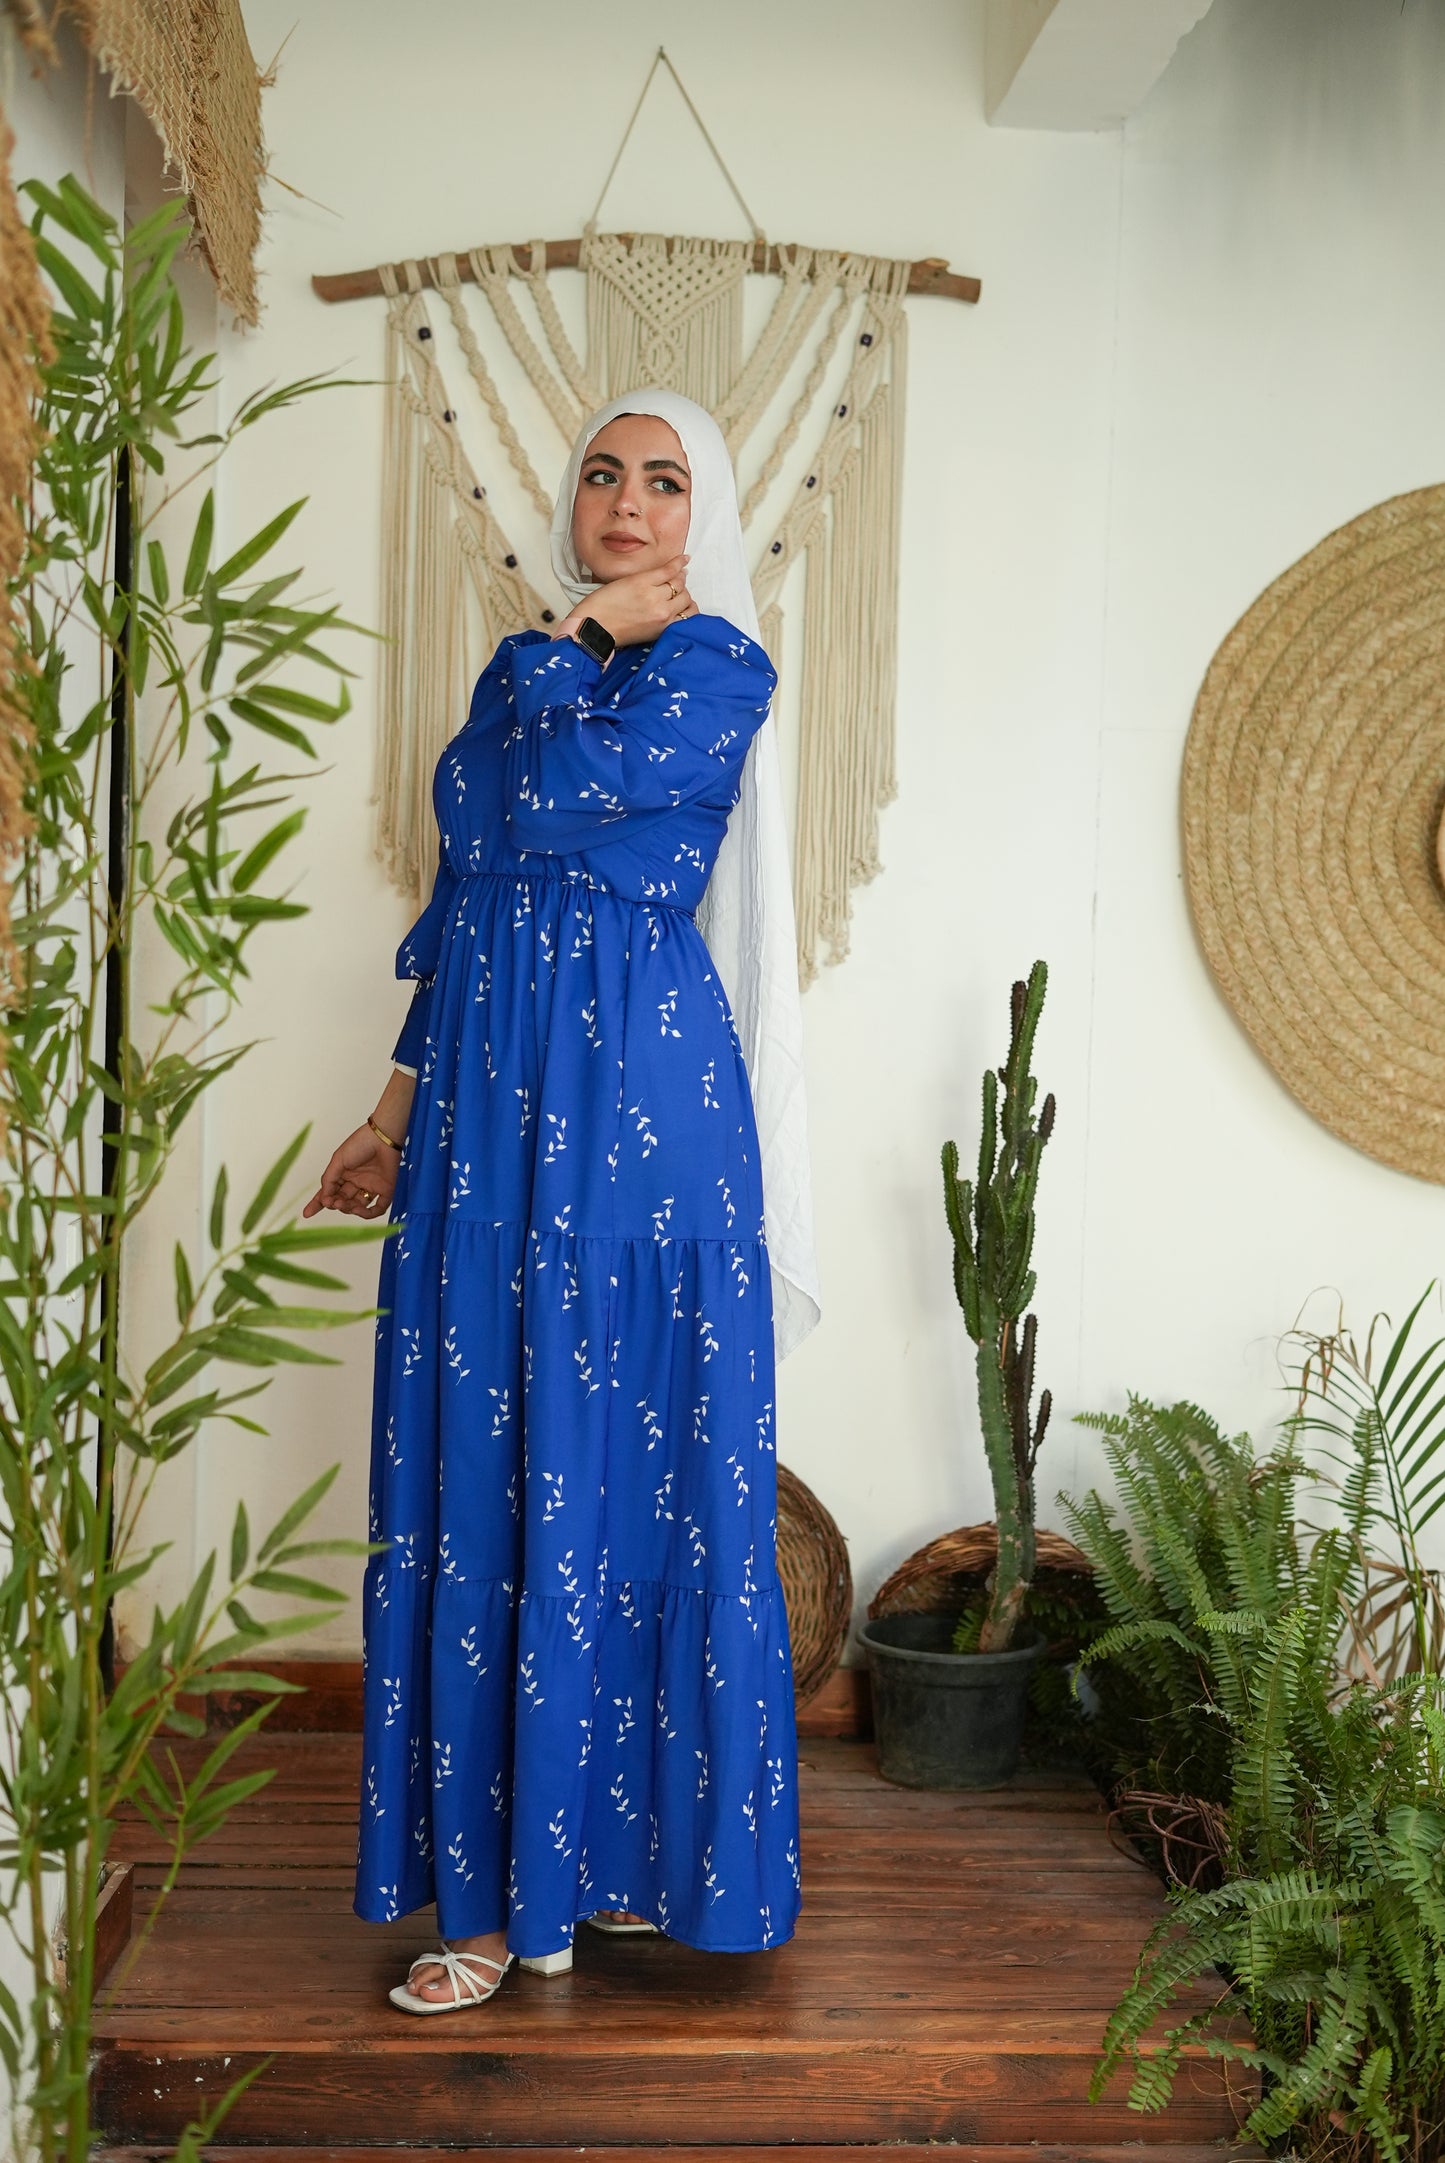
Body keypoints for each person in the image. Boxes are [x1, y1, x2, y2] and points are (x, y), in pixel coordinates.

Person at [305, 389, 819, 2014]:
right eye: (602, 476)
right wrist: (388, 1116)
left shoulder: (716, 666)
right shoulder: (528, 665)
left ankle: (607, 1873)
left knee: (619, 1471)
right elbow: (465, 881)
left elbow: (552, 793)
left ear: (702, 512)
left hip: (636, 1109)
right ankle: (494, 1895)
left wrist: (577, 639)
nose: (625, 504)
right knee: (488, 1468)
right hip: (481, 1110)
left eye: (662, 482)